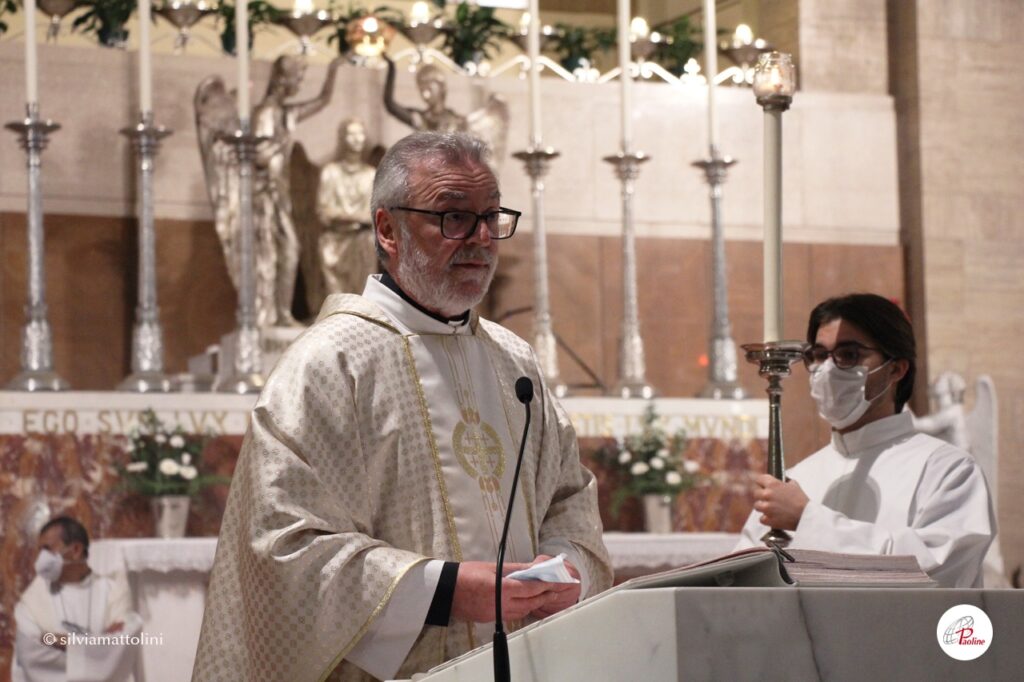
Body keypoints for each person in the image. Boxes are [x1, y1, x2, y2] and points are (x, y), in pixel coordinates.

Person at [192, 132, 612, 682]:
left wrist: (567, 566)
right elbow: (284, 548)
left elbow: (568, 498)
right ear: (388, 229)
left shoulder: (514, 361)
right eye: (454, 217)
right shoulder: (329, 364)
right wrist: (444, 591)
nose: (482, 238)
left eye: (491, 217)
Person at [736, 293, 994, 588]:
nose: (828, 370)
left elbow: (936, 573)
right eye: (819, 355)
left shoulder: (949, 470)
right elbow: (740, 577)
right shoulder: (797, 479)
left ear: (896, 368)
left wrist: (807, 519)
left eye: (848, 354)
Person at [11, 517, 140, 682]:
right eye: (40, 551)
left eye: (48, 549)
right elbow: (30, 652)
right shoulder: (35, 596)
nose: (41, 559)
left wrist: (58, 641)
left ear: (76, 550)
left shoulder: (112, 591)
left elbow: (124, 642)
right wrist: (97, 646)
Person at [315, 118, 378, 296]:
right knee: (337, 300)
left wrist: (341, 215)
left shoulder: (371, 175)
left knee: (362, 300)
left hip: (362, 242)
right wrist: (357, 217)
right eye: (351, 134)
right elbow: (324, 213)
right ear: (343, 138)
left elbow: (373, 215)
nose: (357, 138)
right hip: (334, 243)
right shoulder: (330, 172)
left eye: (360, 133)